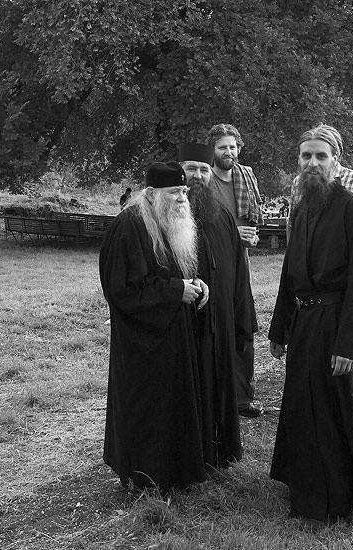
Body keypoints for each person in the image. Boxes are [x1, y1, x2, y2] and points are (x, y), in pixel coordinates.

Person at [268, 133, 353, 521]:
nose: (312, 163)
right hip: (305, 324)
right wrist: (279, 328)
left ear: (336, 160)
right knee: (303, 406)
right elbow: (290, 271)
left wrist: (349, 345)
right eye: (306, 156)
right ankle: (305, 487)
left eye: (321, 156)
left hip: (336, 324)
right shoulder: (302, 206)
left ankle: (339, 496)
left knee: (338, 412)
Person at [99, 161, 210, 494]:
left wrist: (193, 283)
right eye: (174, 192)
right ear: (150, 194)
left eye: (184, 191)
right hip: (142, 344)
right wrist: (176, 291)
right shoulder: (128, 226)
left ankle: (175, 473)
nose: (182, 198)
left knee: (174, 406)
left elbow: (169, 271)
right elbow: (121, 290)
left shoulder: (166, 219)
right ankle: (143, 478)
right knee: (147, 410)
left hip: (172, 337)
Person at [178, 142, 255, 468]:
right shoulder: (167, 214)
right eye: (191, 168)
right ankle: (192, 456)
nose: (198, 175)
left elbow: (239, 271)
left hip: (220, 320)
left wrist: (242, 319)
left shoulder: (222, 215)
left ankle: (221, 452)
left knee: (221, 386)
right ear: (180, 171)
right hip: (185, 324)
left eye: (204, 170)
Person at [206, 123, 263, 418]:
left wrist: (251, 237)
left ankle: (242, 398)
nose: (228, 152)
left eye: (232, 147)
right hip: (214, 265)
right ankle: (215, 395)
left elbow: (252, 220)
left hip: (242, 264)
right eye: (222, 147)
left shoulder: (247, 177)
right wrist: (232, 234)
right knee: (217, 329)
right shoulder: (204, 181)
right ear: (212, 150)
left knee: (244, 328)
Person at [289, 124, 353, 262]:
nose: (314, 162)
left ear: (336, 155)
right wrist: (293, 258)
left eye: (321, 155)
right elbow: (292, 224)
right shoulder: (300, 182)